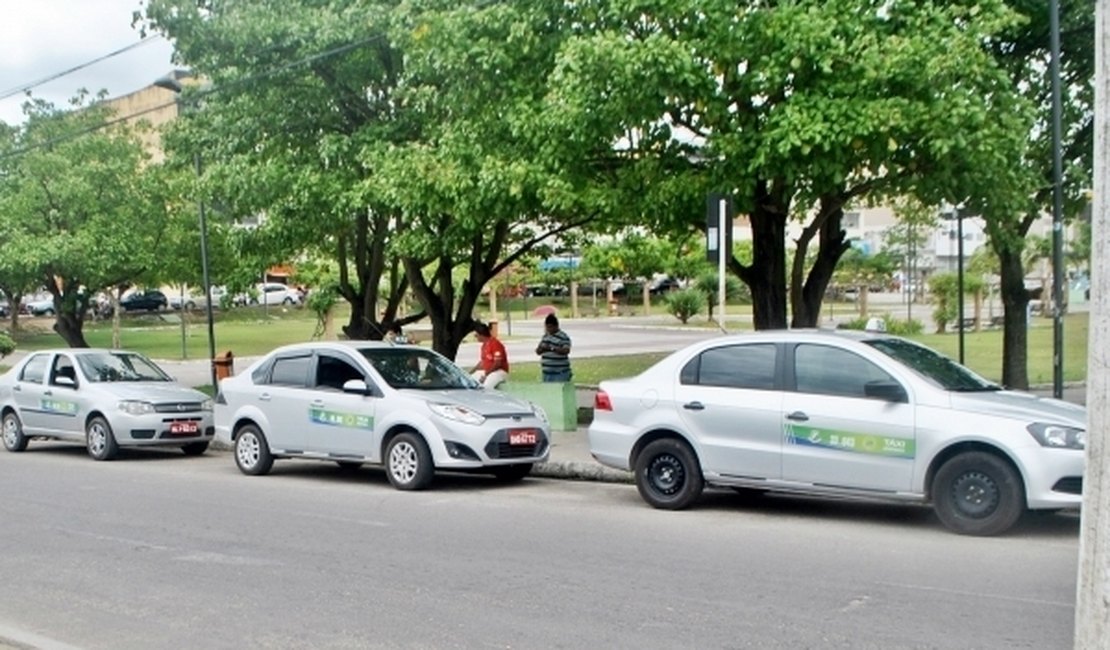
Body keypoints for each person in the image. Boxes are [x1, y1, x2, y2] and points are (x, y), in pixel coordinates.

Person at [470, 322, 509, 389]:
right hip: (488, 371)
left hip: (498, 371)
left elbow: (497, 363)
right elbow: (482, 362)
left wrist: (486, 375)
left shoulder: (495, 344)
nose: (476, 337)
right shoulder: (484, 345)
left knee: (486, 386)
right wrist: (470, 373)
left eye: (476, 335)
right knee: (471, 381)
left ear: (481, 335)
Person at [535, 313, 572, 382]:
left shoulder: (563, 337)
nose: (549, 329)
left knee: (559, 392)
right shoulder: (545, 337)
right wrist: (541, 349)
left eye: (550, 327)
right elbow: (538, 351)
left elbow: (566, 350)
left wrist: (551, 348)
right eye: (547, 327)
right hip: (547, 373)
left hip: (560, 373)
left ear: (556, 326)